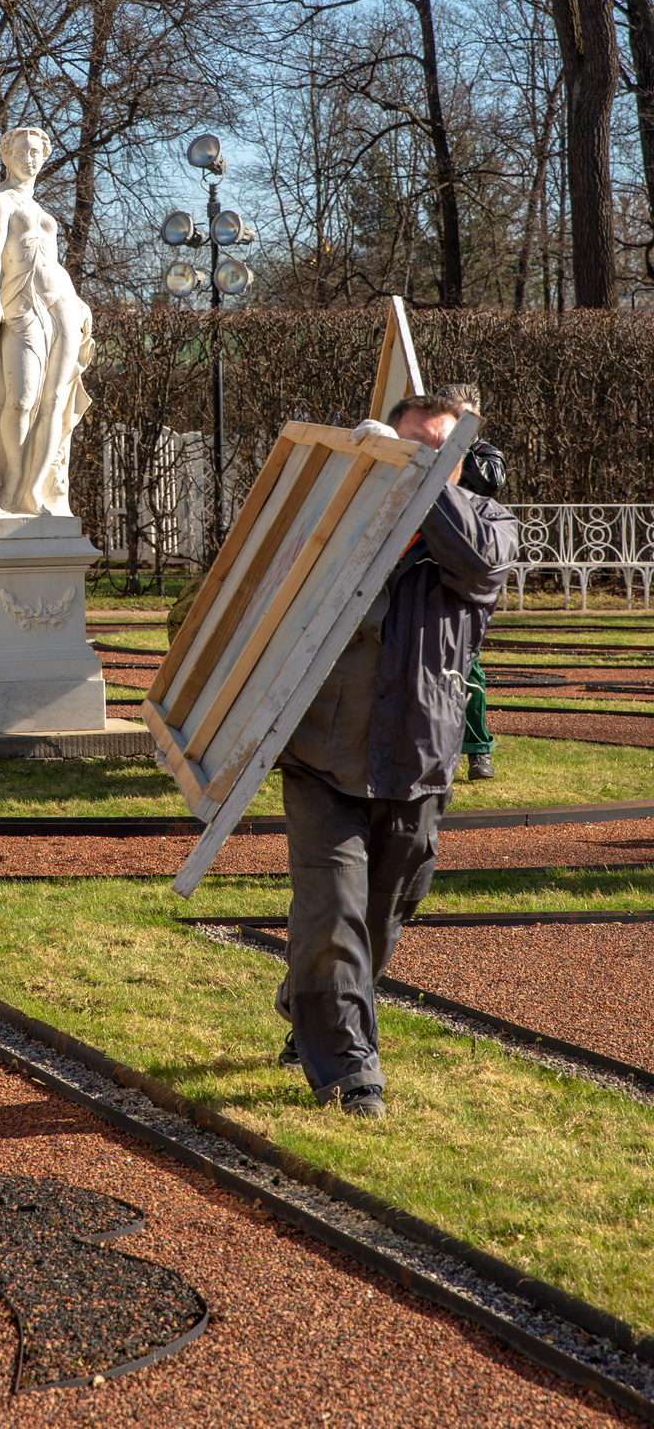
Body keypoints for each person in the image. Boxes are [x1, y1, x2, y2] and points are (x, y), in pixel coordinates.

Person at [275, 394, 518, 1116]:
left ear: (462, 464)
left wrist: (421, 477)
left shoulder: (488, 526)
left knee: (384, 914)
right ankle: (350, 1071)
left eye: (437, 454)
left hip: (415, 764)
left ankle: (308, 1003)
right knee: (332, 914)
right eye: (404, 447)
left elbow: (473, 559)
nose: (417, 463)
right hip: (323, 760)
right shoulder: (339, 526)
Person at [0, 126, 95, 516]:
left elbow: (53, 264)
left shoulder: (40, 210)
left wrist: (79, 302)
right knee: (20, 401)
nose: (28, 159)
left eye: (35, 152)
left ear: (44, 157)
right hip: (21, 304)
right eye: (20, 152)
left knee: (56, 401)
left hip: (63, 305)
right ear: (6, 157)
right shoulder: (1, 200)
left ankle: (35, 491)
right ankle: (13, 484)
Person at [432, 383, 508, 782]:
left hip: (471, 566)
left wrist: (456, 449)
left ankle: (478, 750)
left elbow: (491, 484)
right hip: (427, 563)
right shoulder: (427, 447)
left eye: (466, 417)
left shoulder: (484, 453)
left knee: (468, 664)